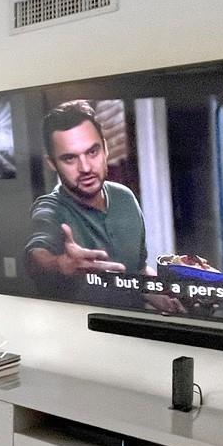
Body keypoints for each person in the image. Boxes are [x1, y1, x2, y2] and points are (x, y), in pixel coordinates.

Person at [24, 99, 181, 312]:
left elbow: (138, 271)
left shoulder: (124, 197)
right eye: (70, 158)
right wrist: (60, 264)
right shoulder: (50, 208)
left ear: (106, 149)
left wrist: (169, 297)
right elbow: (36, 256)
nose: (86, 167)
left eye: (92, 152)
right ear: (52, 163)